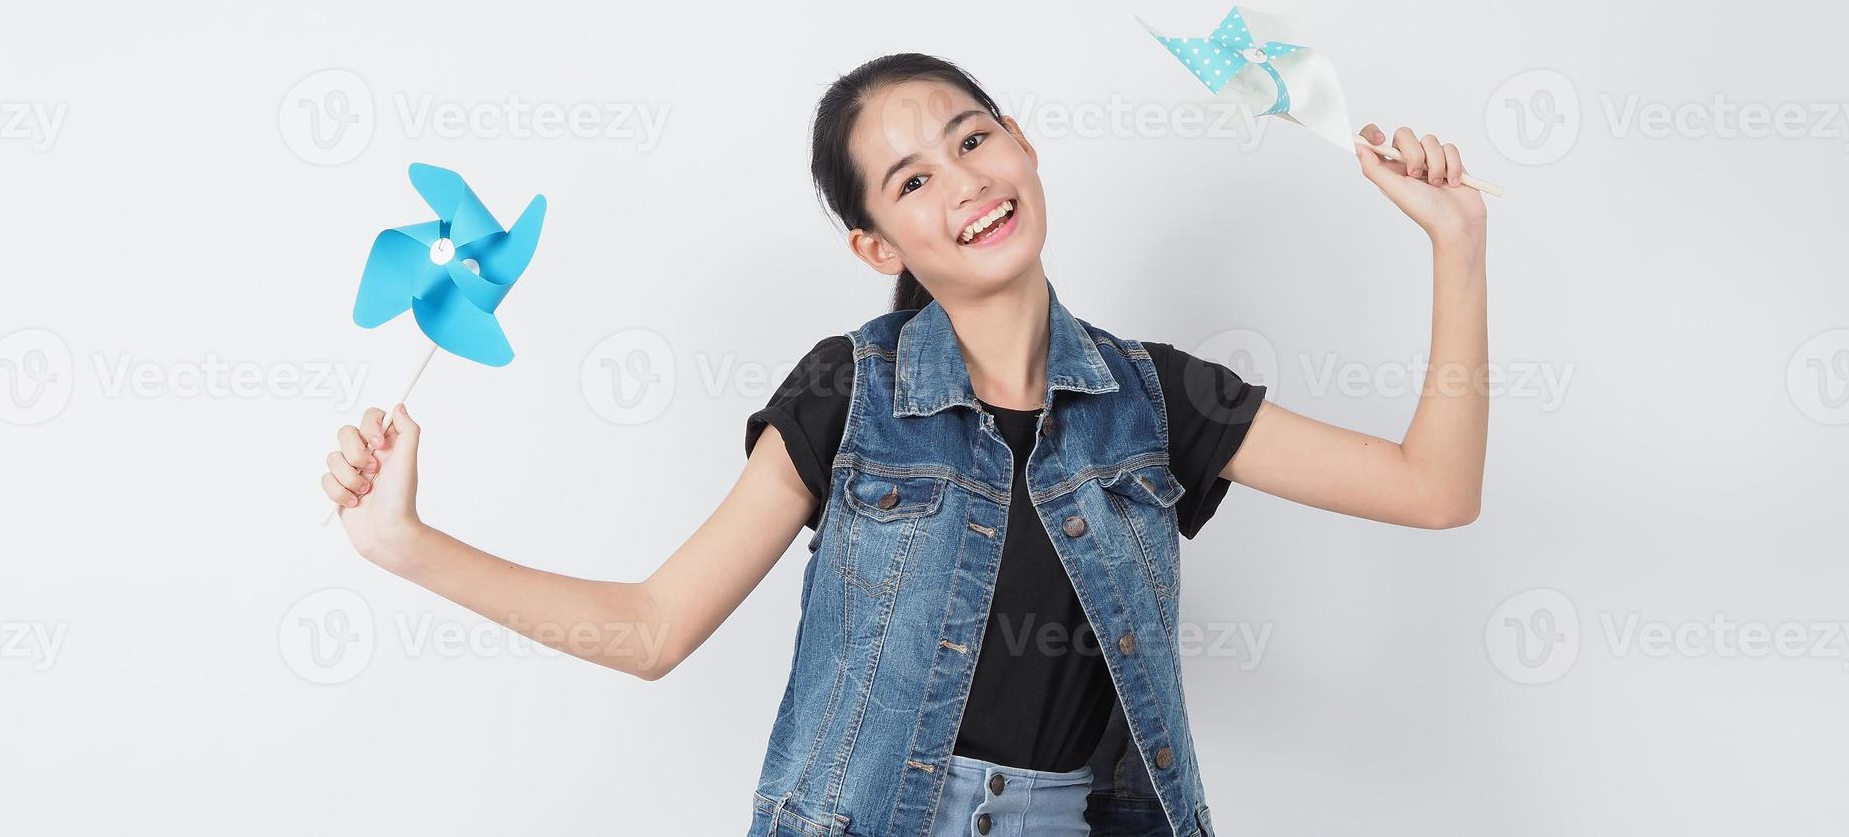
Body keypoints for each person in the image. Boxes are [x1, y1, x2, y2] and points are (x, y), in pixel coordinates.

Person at [320, 53, 1490, 837]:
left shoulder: (1158, 398)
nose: (966, 183)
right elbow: (649, 627)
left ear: (1023, 146)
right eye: (912, 179)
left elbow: (1432, 490)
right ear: (877, 246)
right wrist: (406, 544)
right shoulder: (845, 394)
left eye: (974, 139)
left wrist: (1455, 241)